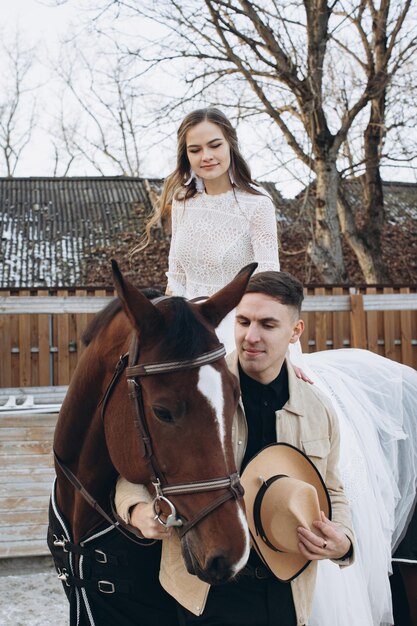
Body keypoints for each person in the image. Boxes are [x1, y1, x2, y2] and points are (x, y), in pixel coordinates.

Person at [135, 106, 417, 624]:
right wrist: (165, 343)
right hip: (192, 340)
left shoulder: (256, 204)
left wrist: (287, 353)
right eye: (195, 149)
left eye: (214, 145)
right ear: (186, 156)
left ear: (230, 146)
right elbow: (176, 279)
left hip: (243, 330)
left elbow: (269, 279)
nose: (206, 156)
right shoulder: (183, 203)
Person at [115, 271, 355, 626]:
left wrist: (344, 542)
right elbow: (138, 467)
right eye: (243, 321)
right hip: (207, 590)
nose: (251, 337)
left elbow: (333, 489)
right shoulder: (197, 393)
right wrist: (135, 510)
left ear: (295, 332)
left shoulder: (319, 410)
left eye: (268, 325)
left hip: (288, 590)